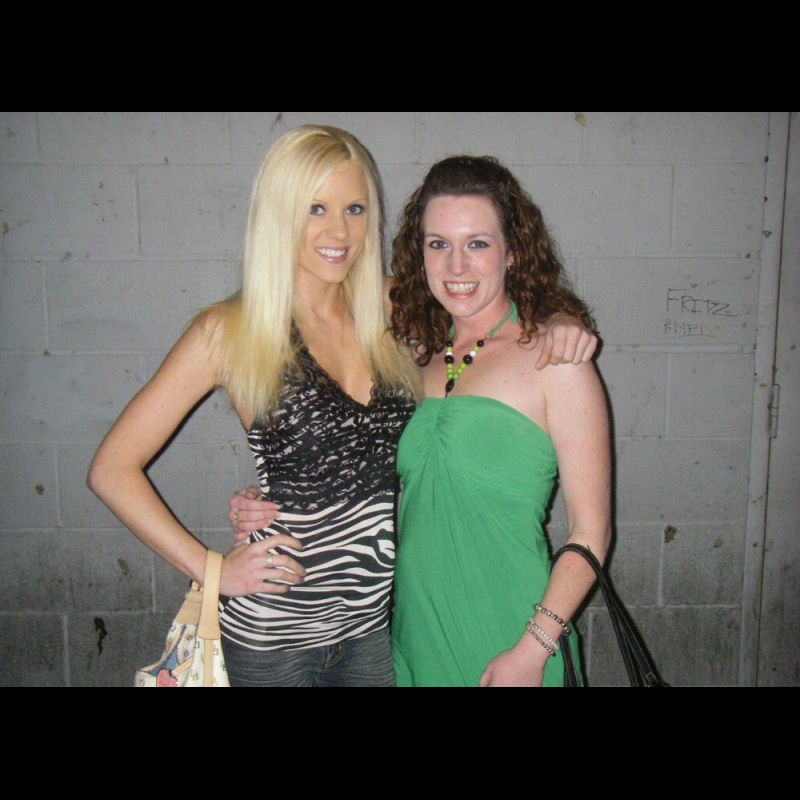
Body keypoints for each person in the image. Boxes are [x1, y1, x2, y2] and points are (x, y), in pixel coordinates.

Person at [89, 124, 596, 687]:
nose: (339, 231)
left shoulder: (388, 306)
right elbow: (111, 469)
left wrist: (563, 320)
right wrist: (212, 570)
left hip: (371, 634)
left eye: (354, 209)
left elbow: (486, 296)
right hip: (275, 637)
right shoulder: (228, 331)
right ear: (279, 214)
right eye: (316, 208)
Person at [387, 155, 612, 687]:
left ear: (512, 253)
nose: (456, 266)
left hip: (512, 637)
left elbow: (592, 533)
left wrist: (533, 650)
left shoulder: (557, 361)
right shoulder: (417, 355)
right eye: (438, 244)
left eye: (477, 243)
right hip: (414, 637)